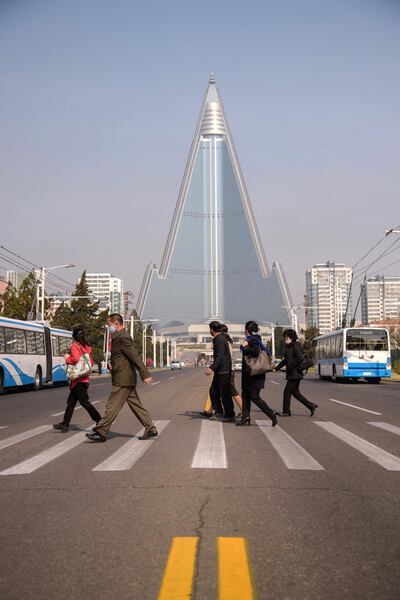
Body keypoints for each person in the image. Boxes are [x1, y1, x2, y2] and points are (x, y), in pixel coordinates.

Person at [86, 313, 157, 442]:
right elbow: (123, 357)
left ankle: (101, 431)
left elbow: (134, 356)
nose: (109, 327)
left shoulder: (123, 337)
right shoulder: (118, 336)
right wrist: (113, 364)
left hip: (123, 379)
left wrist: (144, 373)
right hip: (124, 376)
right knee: (136, 406)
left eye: (109, 324)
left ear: (116, 324)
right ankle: (151, 428)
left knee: (111, 406)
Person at [53, 327, 101, 433]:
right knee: (71, 402)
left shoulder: (75, 346)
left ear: (74, 337)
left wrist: (67, 358)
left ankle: (99, 421)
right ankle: (65, 424)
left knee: (84, 402)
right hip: (83, 379)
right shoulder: (87, 347)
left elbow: (75, 359)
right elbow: (91, 363)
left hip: (78, 380)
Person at [237, 320, 278, 427]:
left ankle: (271, 413)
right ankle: (245, 417)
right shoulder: (254, 339)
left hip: (255, 374)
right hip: (249, 374)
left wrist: (245, 346)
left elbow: (255, 352)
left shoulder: (253, 340)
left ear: (247, 330)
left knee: (254, 396)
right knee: (245, 396)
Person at [274, 328, 318, 417]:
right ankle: (311, 406)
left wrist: (291, 366)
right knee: (295, 393)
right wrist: (276, 368)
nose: (285, 339)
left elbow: (300, 358)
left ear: (290, 337)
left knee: (287, 392)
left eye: (286, 337)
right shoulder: (288, 347)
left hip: (295, 373)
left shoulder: (295, 346)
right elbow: (285, 360)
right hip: (292, 373)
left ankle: (286, 411)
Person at [205, 321, 236, 422]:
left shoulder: (219, 340)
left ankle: (229, 414)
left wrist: (211, 368)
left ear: (212, 330)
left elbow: (220, 356)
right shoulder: (220, 339)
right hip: (221, 370)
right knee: (214, 391)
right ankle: (219, 412)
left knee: (224, 393)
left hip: (223, 371)